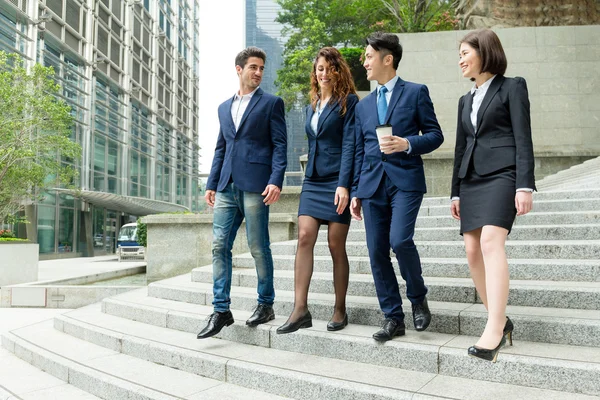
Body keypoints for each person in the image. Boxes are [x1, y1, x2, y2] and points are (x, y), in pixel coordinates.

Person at [350, 32, 444, 342]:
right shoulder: (363, 106)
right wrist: (356, 191)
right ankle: (393, 317)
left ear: (387, 59)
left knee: (400, 240)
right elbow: (361, 150)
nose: (364, 62)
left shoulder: (416, 92)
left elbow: (435, 135)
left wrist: (407, 143)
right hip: (372, 186)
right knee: (377, 252)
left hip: (405, 180)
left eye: (368, 56)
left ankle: (417, 297)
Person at [451, 29, 535, 362]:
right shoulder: (465, 100)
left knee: (489, 243)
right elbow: (461, 148)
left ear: (484, 52)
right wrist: (454, 193)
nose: (460, 59)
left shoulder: (512, 87)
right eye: (458, 54)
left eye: (464, 53)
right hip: (470, 180)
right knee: (472, 250)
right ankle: (499, 317)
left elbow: (523, 137)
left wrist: (524, 184)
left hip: (503, 175)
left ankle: (494, 327)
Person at [197, 46, 287, 339]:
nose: (258, 72)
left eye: (261, 68)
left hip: (257, 184)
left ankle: (265, 304)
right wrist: (211, 184)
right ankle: (221, 310)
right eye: (253, 67)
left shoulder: (272, 103)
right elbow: (222, 147)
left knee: (258, 246)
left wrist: (275, 180)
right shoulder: (224, 107)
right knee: (219, 245)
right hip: (226, 186)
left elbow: (280, 145)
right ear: (239, 69)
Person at [277, 47, 358, 334]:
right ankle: (300, 309)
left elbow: (350, 145)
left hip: (337, 180)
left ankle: (339, 309)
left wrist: (344, 185)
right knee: (304, 237)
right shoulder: (311, 105)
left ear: (338, 71)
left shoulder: (348, 103)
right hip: (312, 181)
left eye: (329, 68)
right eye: (319, 69)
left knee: (336, 245)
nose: (324, 74)